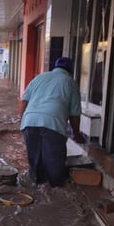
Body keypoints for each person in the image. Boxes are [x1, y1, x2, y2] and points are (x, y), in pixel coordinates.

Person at [19, 56, 86, 187]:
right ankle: (55, 193)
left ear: (54, 67)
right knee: (54, 163)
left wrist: (22, 122)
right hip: (53, 124)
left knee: (35, 161)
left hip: (29, 121)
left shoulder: (39, 77)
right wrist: (77, 135)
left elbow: (24, 101)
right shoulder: (70, 83)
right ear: (70, 70)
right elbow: (74, 115)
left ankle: (36, 190)